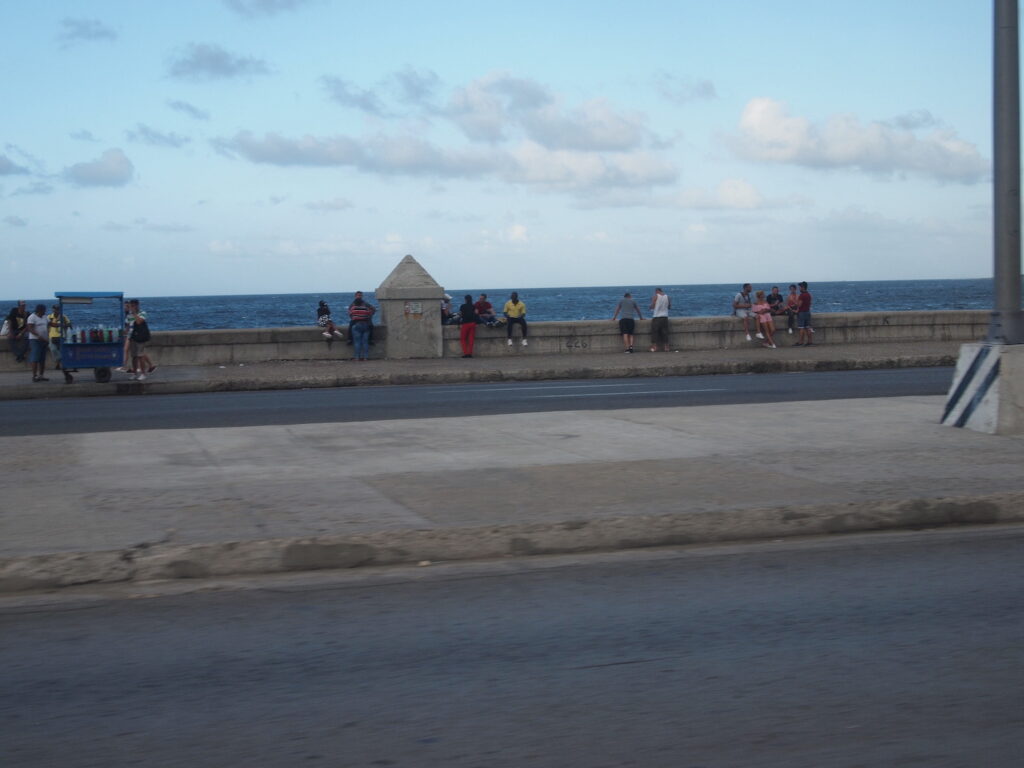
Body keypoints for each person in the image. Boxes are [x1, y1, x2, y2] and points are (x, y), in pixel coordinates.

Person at [127, 299, 156, 379]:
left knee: (140, 355)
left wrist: (134, 313)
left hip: (140, 336)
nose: (131, 307)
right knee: (134, 356)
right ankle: (135, 373)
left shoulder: (142, 313)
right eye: (130, 306)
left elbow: (139, 321)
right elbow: (128, 325)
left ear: (137, 305)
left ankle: (143, 373)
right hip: (132, 336)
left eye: (133, 306)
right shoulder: (129, 315)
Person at [25, 303, 49, 382]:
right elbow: (30, 328)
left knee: (42, 359)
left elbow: (50, 323)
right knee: (35, 358)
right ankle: (34, 376)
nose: (44, 312)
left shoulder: (45, 317)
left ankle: (41, 375)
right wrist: (38, 336)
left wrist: (59, 324)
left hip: (44, 340)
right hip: (35, 340)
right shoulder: (32, 317)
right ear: (39, 310)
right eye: (43, 311)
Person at [348, 295, 375, 360]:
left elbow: (350, 314)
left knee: (357, 342)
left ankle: (357, 357)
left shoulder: (353, 308)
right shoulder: (365, 308)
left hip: (357, 324)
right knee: (365, 342)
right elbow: (370, 313)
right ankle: (366, 357)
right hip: (365, 325)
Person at [46, 304, 71, 370]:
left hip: (61, 336)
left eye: (57, 309)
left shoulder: (63, 316)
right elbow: (47, 326)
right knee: (53, 349)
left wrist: (63, 324)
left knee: (61, 350)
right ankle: (60, 360)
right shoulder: (49, 317)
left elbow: (69, 324)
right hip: (51, 336)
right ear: (53, 309)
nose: (56, 310)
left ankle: (58, 365)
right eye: (55, 309)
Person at [649, 287, 671, 352]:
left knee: (654, 332)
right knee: (665, 332)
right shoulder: (668, 297)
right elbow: (669, 307)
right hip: (665, 317)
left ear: (657, 291)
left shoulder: (655, 296)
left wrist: (650, 307)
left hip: (656, 317)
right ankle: (666, 347)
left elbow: (652, 306)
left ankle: (654, 347)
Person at [794, 281, 814, 347]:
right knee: (808, 327)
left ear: (803, 287)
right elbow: (810, 304)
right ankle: (810, 342)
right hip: (807, 312)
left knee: (801, 328)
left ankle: (800, 342)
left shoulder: (802, 295)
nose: (799, 288)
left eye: (800, 287)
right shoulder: (808, 294)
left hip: (802, 313)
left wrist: (796, 305)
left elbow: (799, 305)